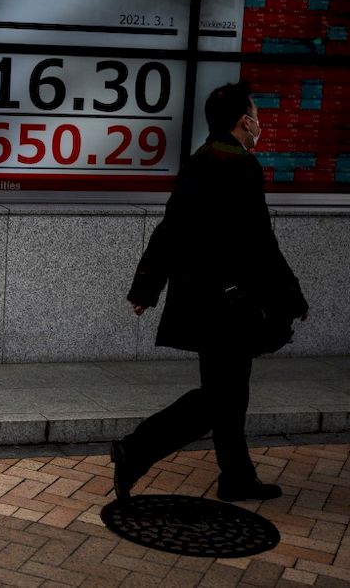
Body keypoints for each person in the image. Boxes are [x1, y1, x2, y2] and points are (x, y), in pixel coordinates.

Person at [111, 80, 309, 503]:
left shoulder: (201, 159)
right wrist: (292, 295)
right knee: (221, 398)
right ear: (244, 121)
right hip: (229, 306)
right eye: (256, 115)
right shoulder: (240, 165)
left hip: (203, 301)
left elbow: (171, 228)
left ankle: (236, 476)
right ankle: (136, 448)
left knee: (229, 394)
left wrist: (146, 286)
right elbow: (260, 243)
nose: (259, 123)